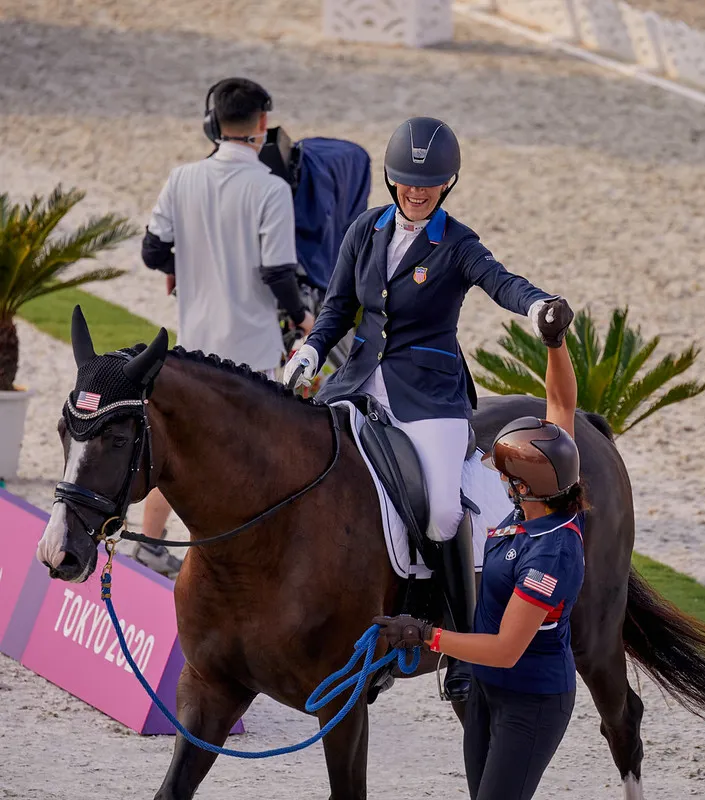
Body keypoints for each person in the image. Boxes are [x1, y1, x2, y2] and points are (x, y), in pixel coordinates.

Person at [284, 116, 564, 701]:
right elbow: (337, 307)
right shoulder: (365, 229)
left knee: (440, 511)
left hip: (429, 395)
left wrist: (538, 306)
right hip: (357, 381)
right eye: (408, 181)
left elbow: (501, 282)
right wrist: (311, 351)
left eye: (429, 183)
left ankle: (461, 643)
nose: (417, 191)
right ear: (392, 180)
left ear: (447, 183)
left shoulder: (457, 243)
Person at [374, 301, 586, 799]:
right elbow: (560, 407)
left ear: (524, 487)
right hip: (490, 694)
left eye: (506, 475)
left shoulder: (550, 555)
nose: (500, 478)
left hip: (530, 702)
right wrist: (555, 344)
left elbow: (506, 648)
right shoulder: (544, 495)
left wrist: (427, 636)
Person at [139, 77, 314, 575]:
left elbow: (152, 250)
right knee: (252, 459)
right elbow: (276, 272)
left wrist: (185, 263)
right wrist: (302, 318)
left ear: (212, 123)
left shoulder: (181, 178)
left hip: (194, 348)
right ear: (263, 123)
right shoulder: (271, 188)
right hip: (251, 352)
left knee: (181, 450)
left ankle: (149, 544)